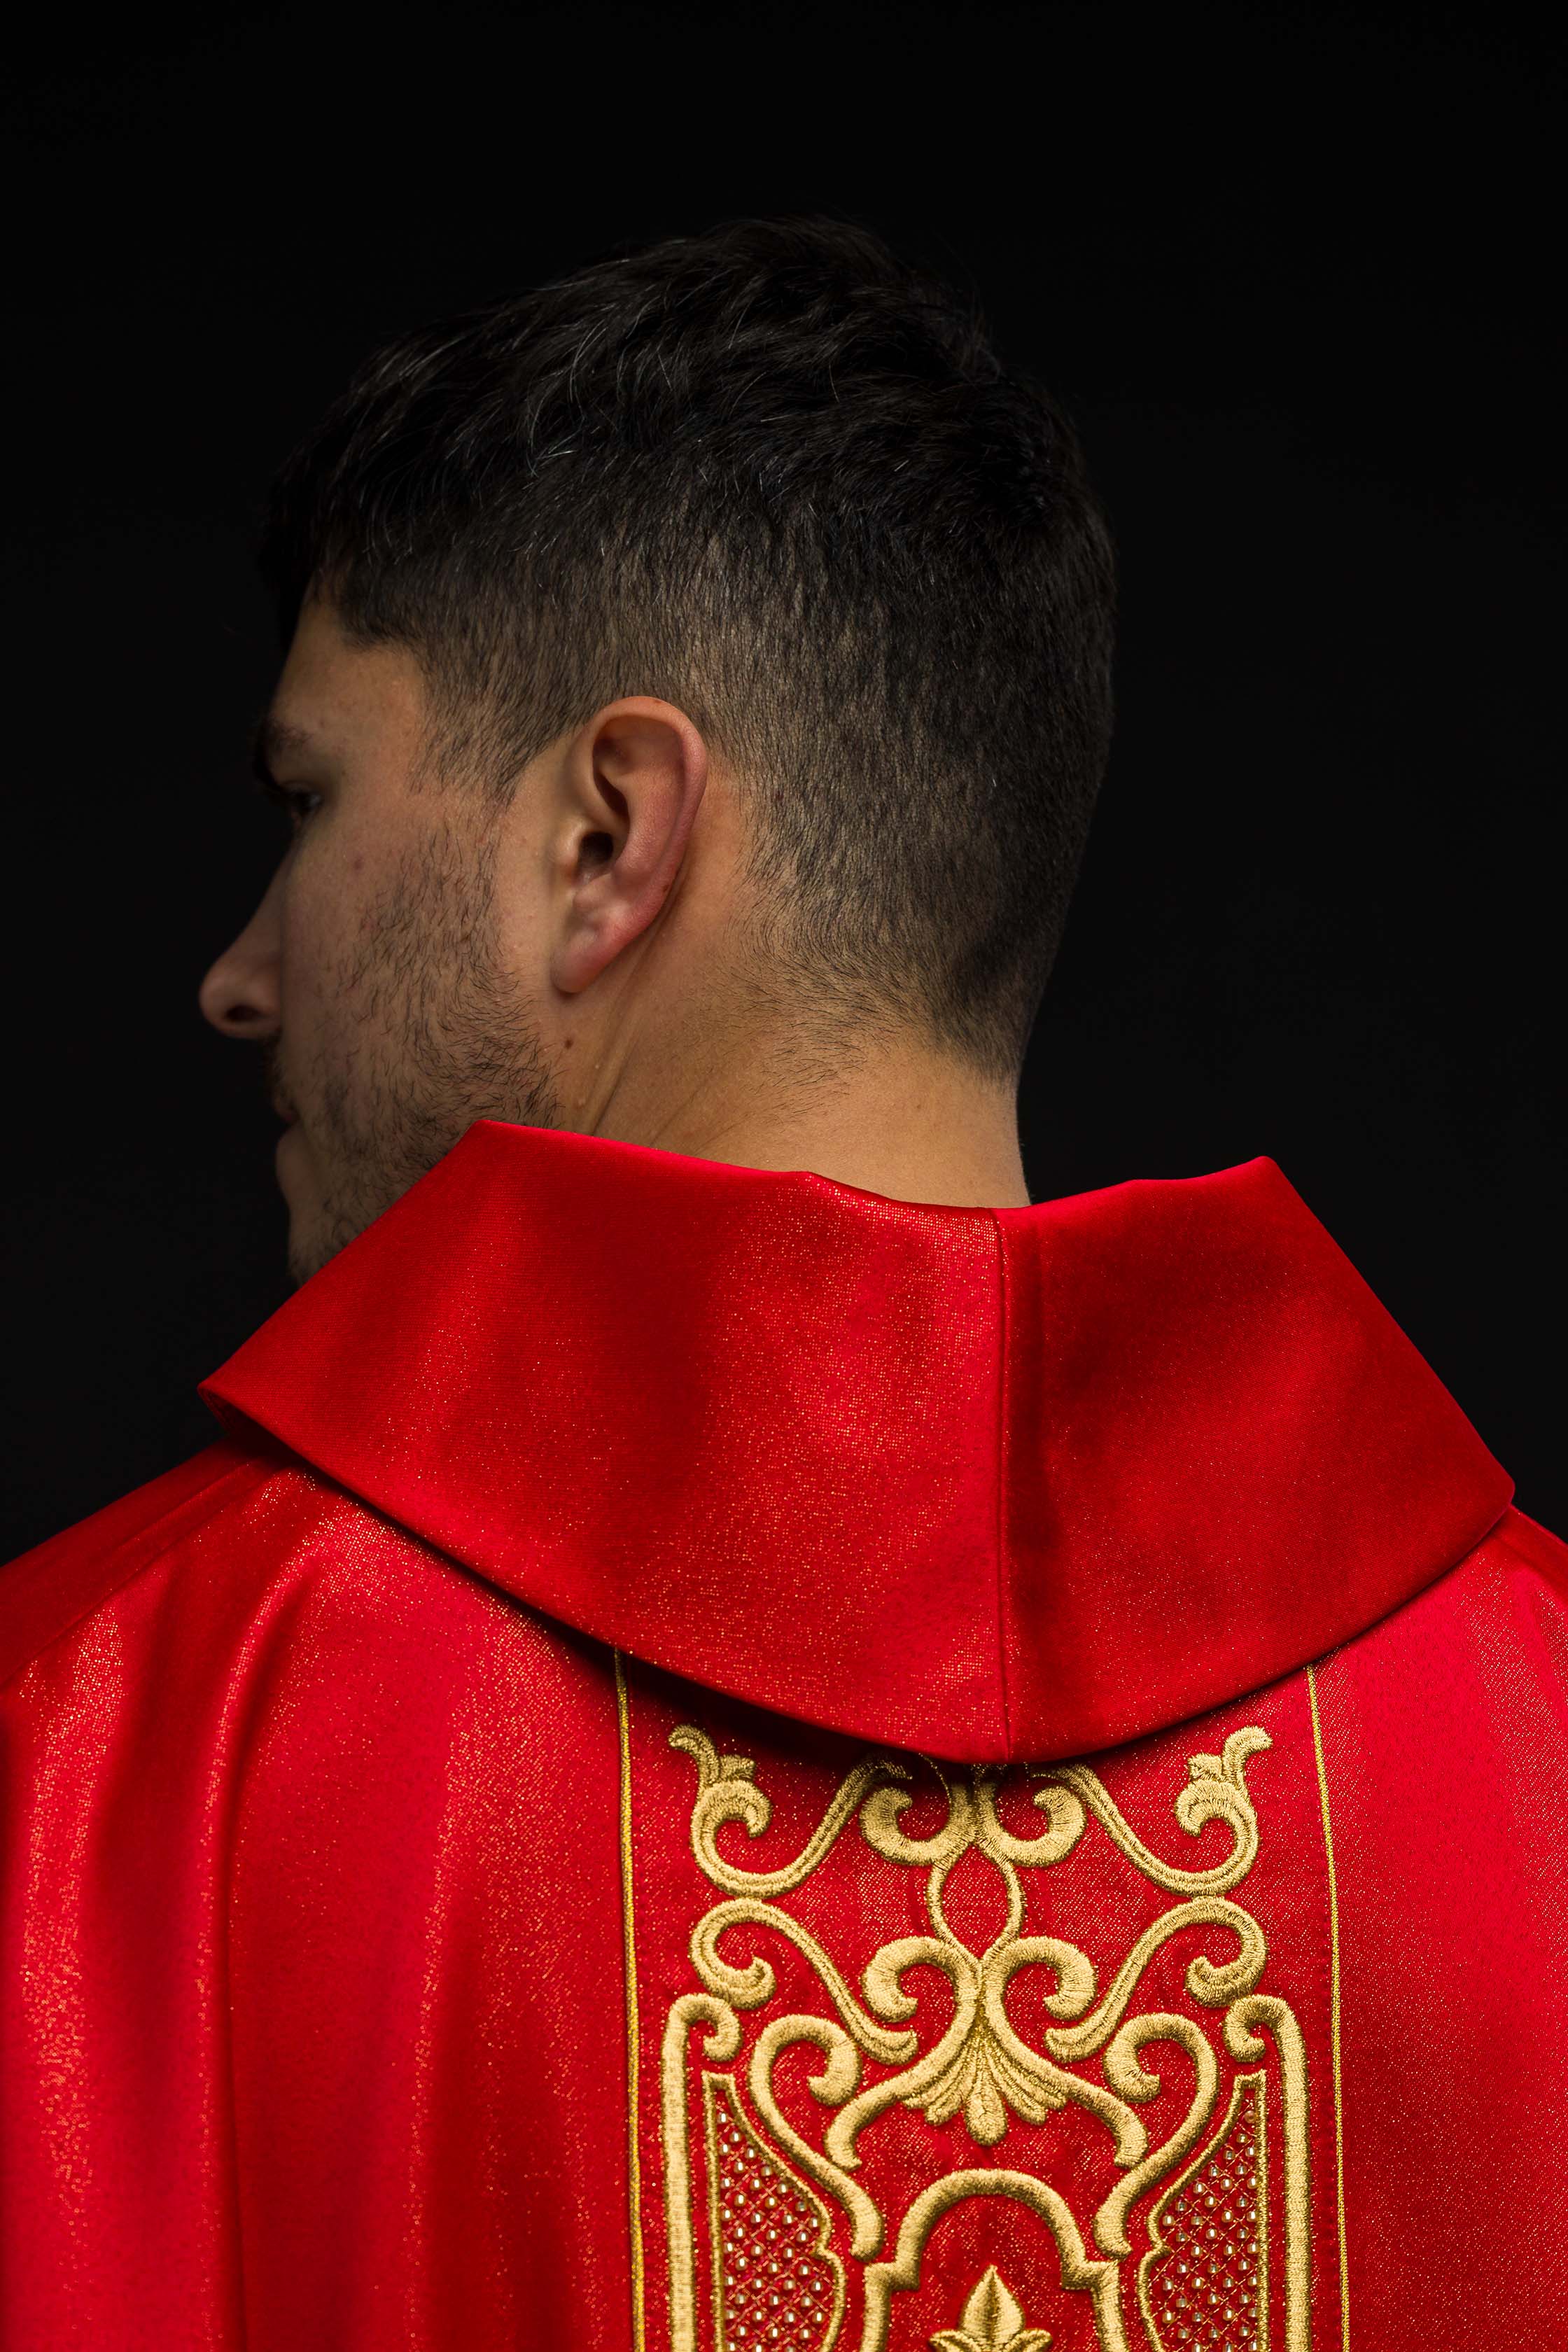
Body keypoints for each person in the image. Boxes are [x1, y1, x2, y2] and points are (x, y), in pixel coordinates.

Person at [1, 218, 1562, 2352]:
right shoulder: (1535, 1742)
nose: (240, 974)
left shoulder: (102, 1758)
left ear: (605, 839)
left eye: (311, 797)